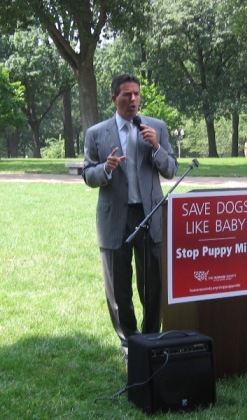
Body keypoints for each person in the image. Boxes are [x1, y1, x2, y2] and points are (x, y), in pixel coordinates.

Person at [82, 74, 178, 357]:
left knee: (153, 284)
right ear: (114, 99)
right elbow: (88, 174)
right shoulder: (97, 134)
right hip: (115, 218)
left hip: (149, 216)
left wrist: (157, 147)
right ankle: (129, 342)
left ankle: (151, 340)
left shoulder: (156, 127)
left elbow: (171, 169)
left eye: (136, 94)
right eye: (126, 94)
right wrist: (106, 168)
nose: (133, 99)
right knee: (118, 286)